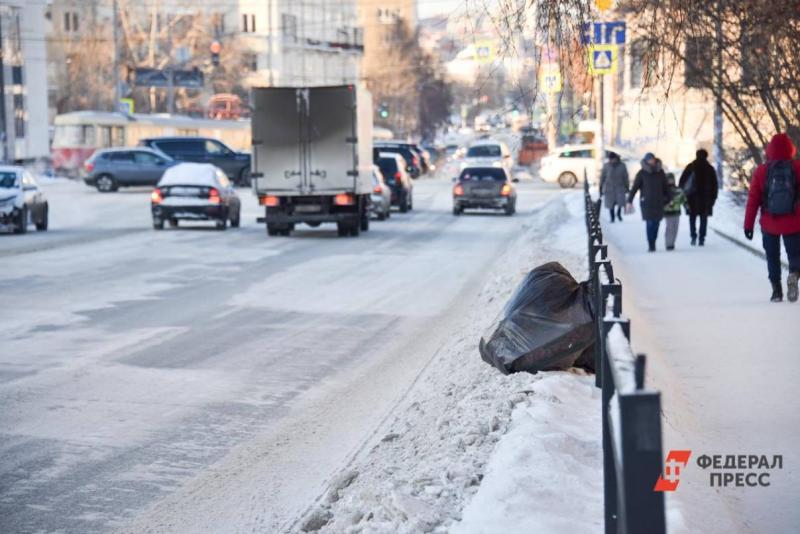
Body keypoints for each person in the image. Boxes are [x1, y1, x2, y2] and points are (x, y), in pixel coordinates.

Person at [743, 133, 800, 303]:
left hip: (770, 223)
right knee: (795, 255)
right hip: (794, 222)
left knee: (772, 256)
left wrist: (748, 225)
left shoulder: (762, 171)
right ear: (790, 148)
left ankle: (776, 290)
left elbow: (753, 200)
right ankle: (794, 275)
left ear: (769, 149)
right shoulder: (797, 167)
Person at [628, 153, 670, 252]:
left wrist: (669, 198)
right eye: (650, 159)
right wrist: (629, 200)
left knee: (656, 223)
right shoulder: (642, 173)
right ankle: (651, 244)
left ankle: (654, 240)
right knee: (650, 223)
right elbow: (635, 187)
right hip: (647, 202)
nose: (652, 161)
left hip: (659, 202)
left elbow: (665, 187)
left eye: (653, 159)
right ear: (646, 161)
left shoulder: (660, 172)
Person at [679, 149, 718, 246]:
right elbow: (715, 185)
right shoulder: (709, 168)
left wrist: (684, 196)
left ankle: (693, 236)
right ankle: (702, 238)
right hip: (706, 199)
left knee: (692, 218)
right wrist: (713, 198)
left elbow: (682, 182)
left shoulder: (690, 167)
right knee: (703, 219)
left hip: (692, 198)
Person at [600, 152, 629, 223]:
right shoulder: (606, 166)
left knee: (620, 202)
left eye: (613, 159)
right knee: (610, 204)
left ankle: (618, 213)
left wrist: (627, 187)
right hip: (609, 188)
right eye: (610, 159)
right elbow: (602, 177)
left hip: (620, 187)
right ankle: (612, 217)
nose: (612, 160)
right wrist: (600, 187)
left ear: (616, 158)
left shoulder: (622, 165)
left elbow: (626, 177)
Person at [664, 173, 686, 251]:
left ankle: (672, 242)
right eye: (669, 179)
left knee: (675, 228)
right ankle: (668, 244)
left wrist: (686, 207)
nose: (671, 181)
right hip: (668, 212)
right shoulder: (664, 190)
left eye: (672, 179)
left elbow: (683, 199)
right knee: (669, 228)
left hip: (677, 211)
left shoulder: (678, 189)